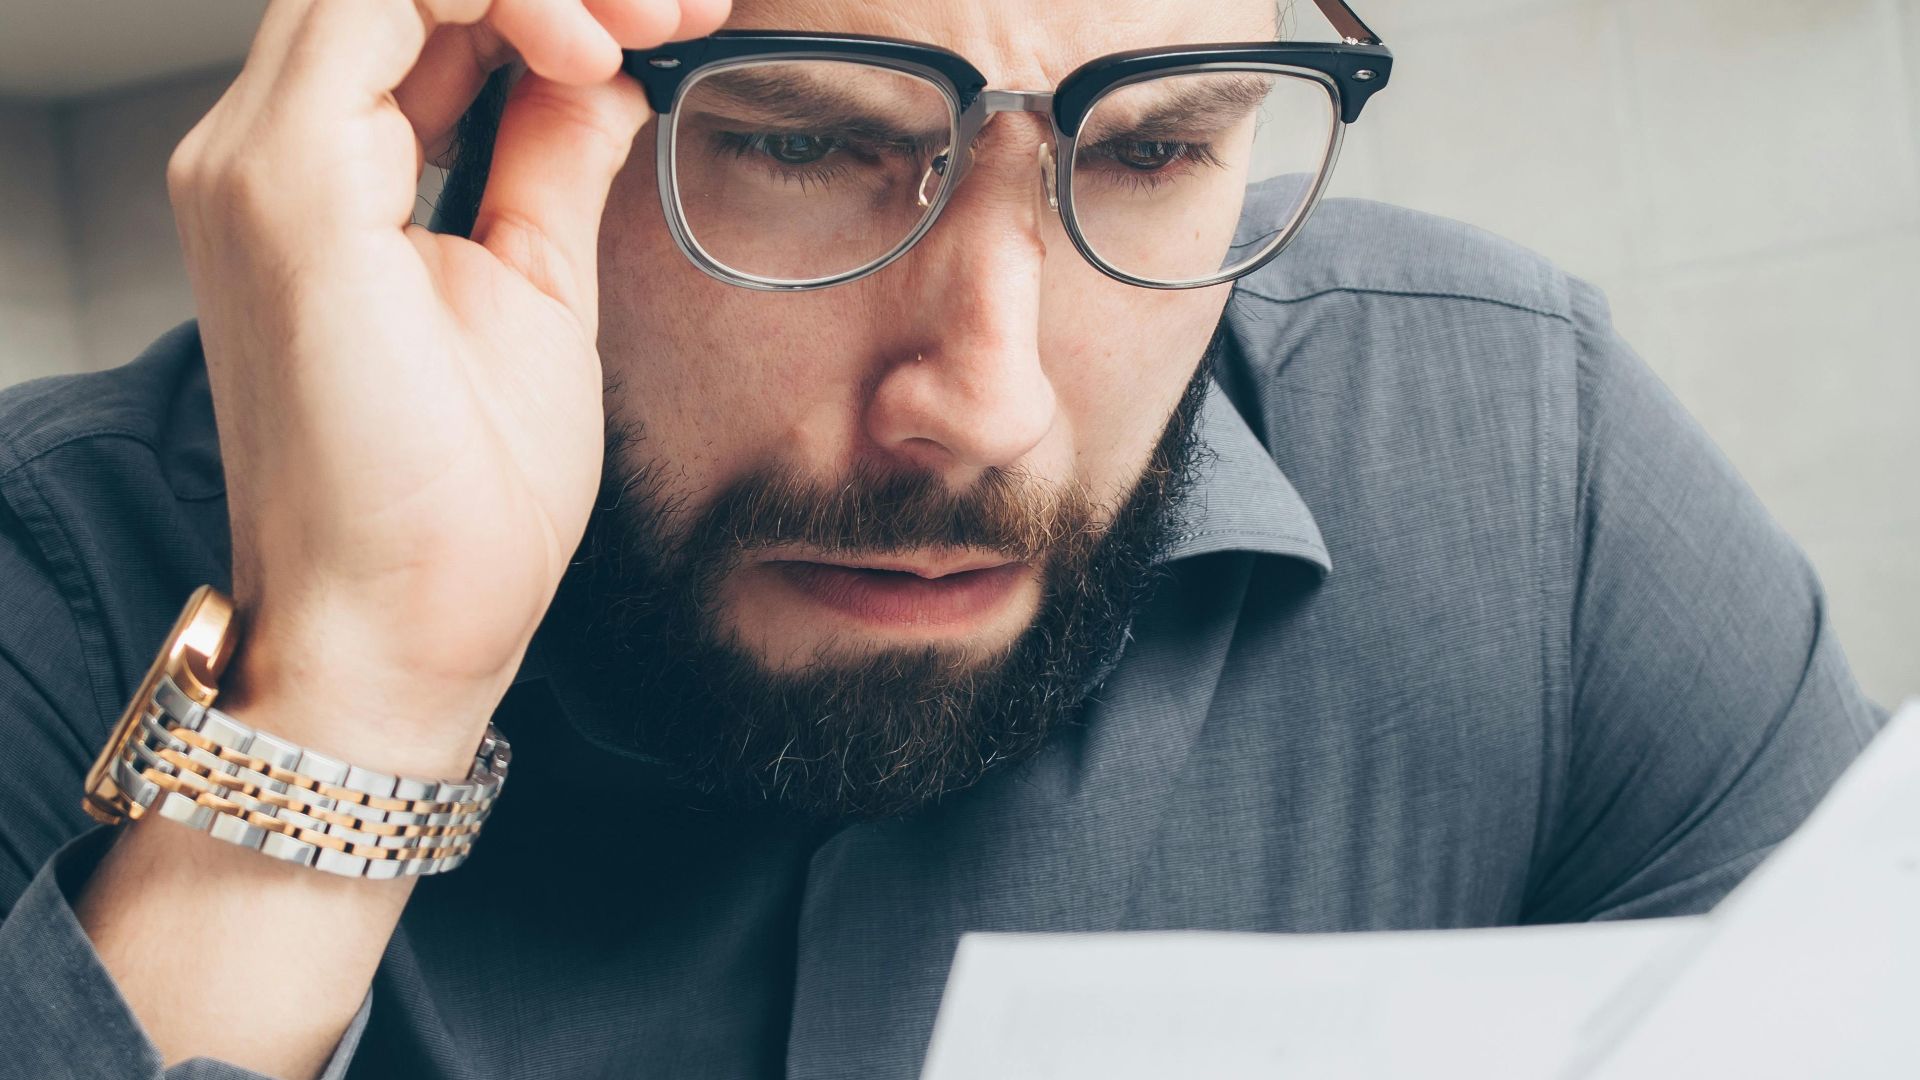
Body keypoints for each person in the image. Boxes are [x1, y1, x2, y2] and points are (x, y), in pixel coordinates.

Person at [0, 0, 1888, 1076]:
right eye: (808, 146)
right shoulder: (55, 576)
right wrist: (352, 692)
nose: (985, 407)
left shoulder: (1516, 457)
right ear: (484, 95)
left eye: (1154, 153)